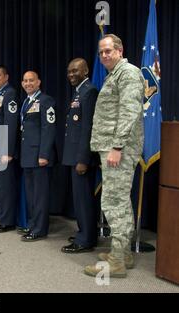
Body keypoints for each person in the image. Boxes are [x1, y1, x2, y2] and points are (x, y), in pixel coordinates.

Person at [84, 34, 144, 278]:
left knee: (113, 202)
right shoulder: (115, 75)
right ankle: (124, 253)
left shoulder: (128, 73)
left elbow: (129, 112)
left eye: (108, 50)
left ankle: (117, 261)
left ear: (120, 50)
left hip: (118, 148)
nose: (104, 55)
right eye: (101, 52)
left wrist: (117, 147)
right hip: (112, 146)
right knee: (120, 200)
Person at [61, 58, 99, 253]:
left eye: (75, 71)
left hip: (81, 157)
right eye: (69, 71)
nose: (71, 74)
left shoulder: (89, 91)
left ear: (85, 71)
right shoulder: (79, 92)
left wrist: (83, 159)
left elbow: (87, 128)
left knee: (83, 199)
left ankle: (85, 240)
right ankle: (85, 232)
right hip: (74, 154)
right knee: (80, 198)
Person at [19, 71, 56, 241]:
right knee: (31, 194)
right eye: (25, 81)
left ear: (38, 82)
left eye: (31, 80)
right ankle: (33, 224)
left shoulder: (45, 100)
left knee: (39, 195)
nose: (28, 83)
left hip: (39, 156)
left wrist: (44, 154)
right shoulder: (26, 102)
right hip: (27, 155)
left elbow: (48, 129)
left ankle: (39, 229)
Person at [0, 65, 19, 233]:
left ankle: (7, 221)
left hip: (3, 149)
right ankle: (1, 217)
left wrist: (8, 151)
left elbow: (11, 123)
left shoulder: (10, 94)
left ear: (6, 77)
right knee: (0, 184)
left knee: (6, 186)